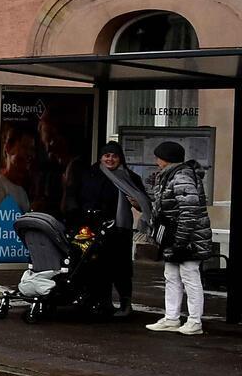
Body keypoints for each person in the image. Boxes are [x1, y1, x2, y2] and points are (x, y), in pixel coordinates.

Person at [145, 140, 213, 335]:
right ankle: (172, 317)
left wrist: (180, 240)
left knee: (189, 276)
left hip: (186, 237)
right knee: (172, 275)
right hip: (175, 235)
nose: (156, 160)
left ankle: (194, 321)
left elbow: (189, 210)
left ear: (166, 159)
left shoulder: (181, 176)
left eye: (158, 157)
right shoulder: (169, 176)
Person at [76, 141, 148, 318]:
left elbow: (143, 203)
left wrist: (138, 204)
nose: (110, 159)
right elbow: (81, 198)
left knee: (121, 268)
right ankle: (100, 302)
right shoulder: (90, 174)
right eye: (106, 155)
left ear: (120, 158)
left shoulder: (130, 177)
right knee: (96, 266)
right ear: (101, 157)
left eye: (114, 156)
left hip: (120, 230)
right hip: (93, 228)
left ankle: (125, 304)